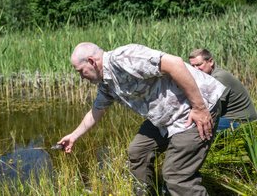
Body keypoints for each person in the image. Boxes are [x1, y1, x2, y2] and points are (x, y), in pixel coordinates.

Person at [58, 42, 226, 196]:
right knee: (138, 151)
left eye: (81, 71)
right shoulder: (106, 84)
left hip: (194, 109)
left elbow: (175, 63)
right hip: (167, 118)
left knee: (176, 175)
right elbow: (97, 111)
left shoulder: (124, 58)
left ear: (91, 61)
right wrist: (73, 136)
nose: (81, 76)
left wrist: (199, 107)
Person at [189, 48, 257, 131]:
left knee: (193, 125)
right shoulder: (206, 77)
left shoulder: (219, 77)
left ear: (210, 62)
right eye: (192, 66)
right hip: (227, 118)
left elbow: (210, 107)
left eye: (199, 65)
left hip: (241, 121)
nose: (195, 69)